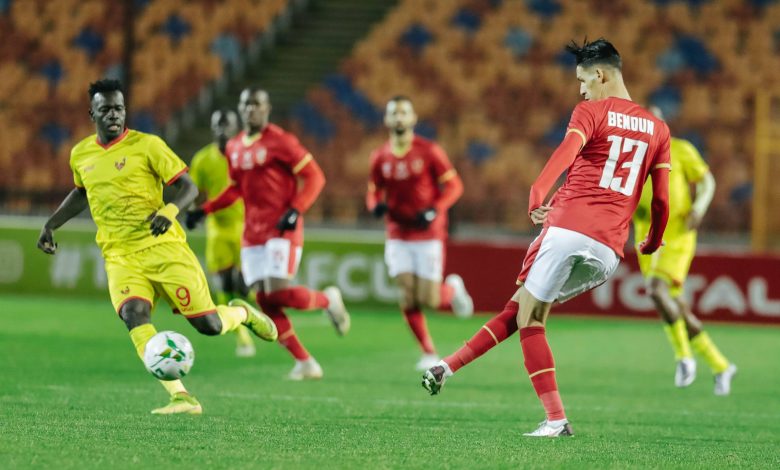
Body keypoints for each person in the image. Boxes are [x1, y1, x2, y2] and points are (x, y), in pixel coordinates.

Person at [421, 38, 671, 437]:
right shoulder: (659, 129)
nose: (581, 89)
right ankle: (446, 367)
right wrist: (654, 240)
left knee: (531, 318)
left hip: (569, 228)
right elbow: (660, 201)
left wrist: (538, 191)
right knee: (523, 307)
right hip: (608, 251)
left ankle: (556, 420)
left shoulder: (591, 111)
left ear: (600, 74)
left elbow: (565, 154)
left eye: (583, 80)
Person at [37, 79, 278, 415]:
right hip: (120, 256)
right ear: (92, 113)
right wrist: (51, 224)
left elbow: (188, 187)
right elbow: (82, 192)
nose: (113, 115)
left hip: (163, 249)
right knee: (133, 315)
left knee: (208, 326)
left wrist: (169, 211)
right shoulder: (80, 154)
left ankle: (242, 313)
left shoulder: (148, 145)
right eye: (105, 109)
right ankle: (182, 396)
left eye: (119, 108)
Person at [187, 87, 350, 381]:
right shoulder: (235, 146)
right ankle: (305, 362)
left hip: (281, 228)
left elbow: (315, 176)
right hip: (252, 233)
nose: (251, 109)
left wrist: (296, 209)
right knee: (264, 300)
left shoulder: (281, 141)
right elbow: (236, 188)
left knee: (277, 291)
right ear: (240, 109)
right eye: (246, 104)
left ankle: (328, 300)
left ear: (267, 109)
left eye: (257, 104)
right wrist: (205, 209)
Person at [366, 96, 474, 371]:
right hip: (398, 233)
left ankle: (453, 290)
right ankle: (427, 351)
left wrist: (435, 209)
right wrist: (374, 205)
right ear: (387, 119)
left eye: (404, 112)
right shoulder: (380, 156)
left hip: (428, 234)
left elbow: (454, 186)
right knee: (406, 293)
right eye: (394, 113)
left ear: (413, 118)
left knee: (430, 300)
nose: (399, 117)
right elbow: (373, 190)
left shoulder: (429, 151)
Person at [634, 107, 736, 394]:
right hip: (645, 238)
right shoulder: (632, 156)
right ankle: (721, 365)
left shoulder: (680, 150)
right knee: (677, 306)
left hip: (677, 235)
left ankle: (684, 358)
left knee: (656, 290)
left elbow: (707, 182)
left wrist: (699, 208)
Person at [188, 109, 256, 358]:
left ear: (237, 128)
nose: (222, 130)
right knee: (225, 282)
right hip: (217, 228)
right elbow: (194, 190)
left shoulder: (246, 155)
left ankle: (259, 316)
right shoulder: (203, 159)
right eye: (218, 124)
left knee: (244, 284)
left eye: (226, 125)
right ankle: (242, 336)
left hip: (247, 225)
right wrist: (193, 212)